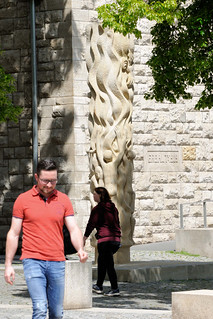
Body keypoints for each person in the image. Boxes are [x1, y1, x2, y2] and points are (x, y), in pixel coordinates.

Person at [4, 159, 88, 319]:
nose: (49, 185)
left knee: (56, 313)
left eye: (53, 181)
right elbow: (14, 233)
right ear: (36, 177)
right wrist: (8, 265)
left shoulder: (63, 200)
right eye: (45, 181)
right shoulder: (23, 200)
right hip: (32, 260)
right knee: (40, 308)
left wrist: (80, 249)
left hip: (57, 261)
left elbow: (73, 228)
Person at [83, 187, 121, 296]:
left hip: (105, 241)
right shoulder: (113, 208)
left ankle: (115, 288)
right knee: (102, 263)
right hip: (115, 240)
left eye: (95, 194)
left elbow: (91, 224)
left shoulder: (98, 209)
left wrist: (84, 237)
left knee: (109, 265)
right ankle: (99, 286)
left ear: (100, 195)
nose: (93, 196)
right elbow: (116, 223)